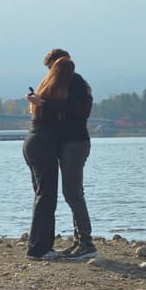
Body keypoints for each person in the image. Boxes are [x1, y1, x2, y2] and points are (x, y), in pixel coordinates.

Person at [46, 48, 97, 260]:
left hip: (74, 144)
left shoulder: (74, 83)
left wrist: (45, 103)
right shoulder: (76, 83)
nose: (50, 73)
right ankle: (79, 241)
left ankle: (86, 243)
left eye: (51, 68)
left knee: (73, 194)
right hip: (74, 143)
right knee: (73, 193)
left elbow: (75, 110)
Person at [22, 56, 72, 261]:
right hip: (43, 145)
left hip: (32, 142)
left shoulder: (43, 92)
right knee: (47, 197)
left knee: (42, 196)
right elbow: (66, 111)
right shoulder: (55, 95)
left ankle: (39, 245)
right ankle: (38, 249)